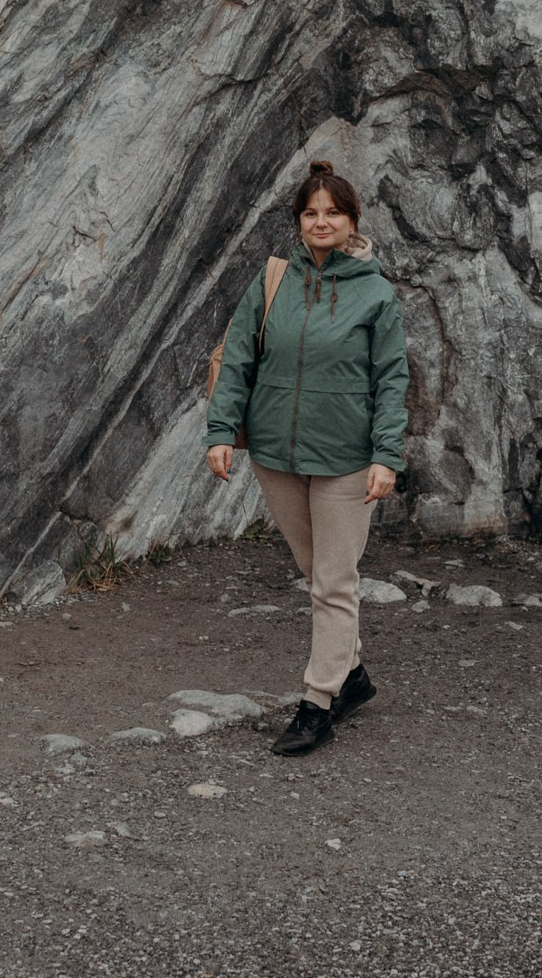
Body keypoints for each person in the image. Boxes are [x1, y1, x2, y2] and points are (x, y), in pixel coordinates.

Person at [204, 161, 409, 756]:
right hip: (275, 456)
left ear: (352, 222)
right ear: (299, 222)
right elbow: (238, 355)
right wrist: (221, 431)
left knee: (333, 583)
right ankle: (354, 675)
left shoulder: (376, 293)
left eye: (333, 213)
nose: (321, 222)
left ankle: (317, 704)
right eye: (311, 213)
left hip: (346, 460)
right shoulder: (274, 280)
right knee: (318, 573)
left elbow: (392, 380)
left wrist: (385, 456)